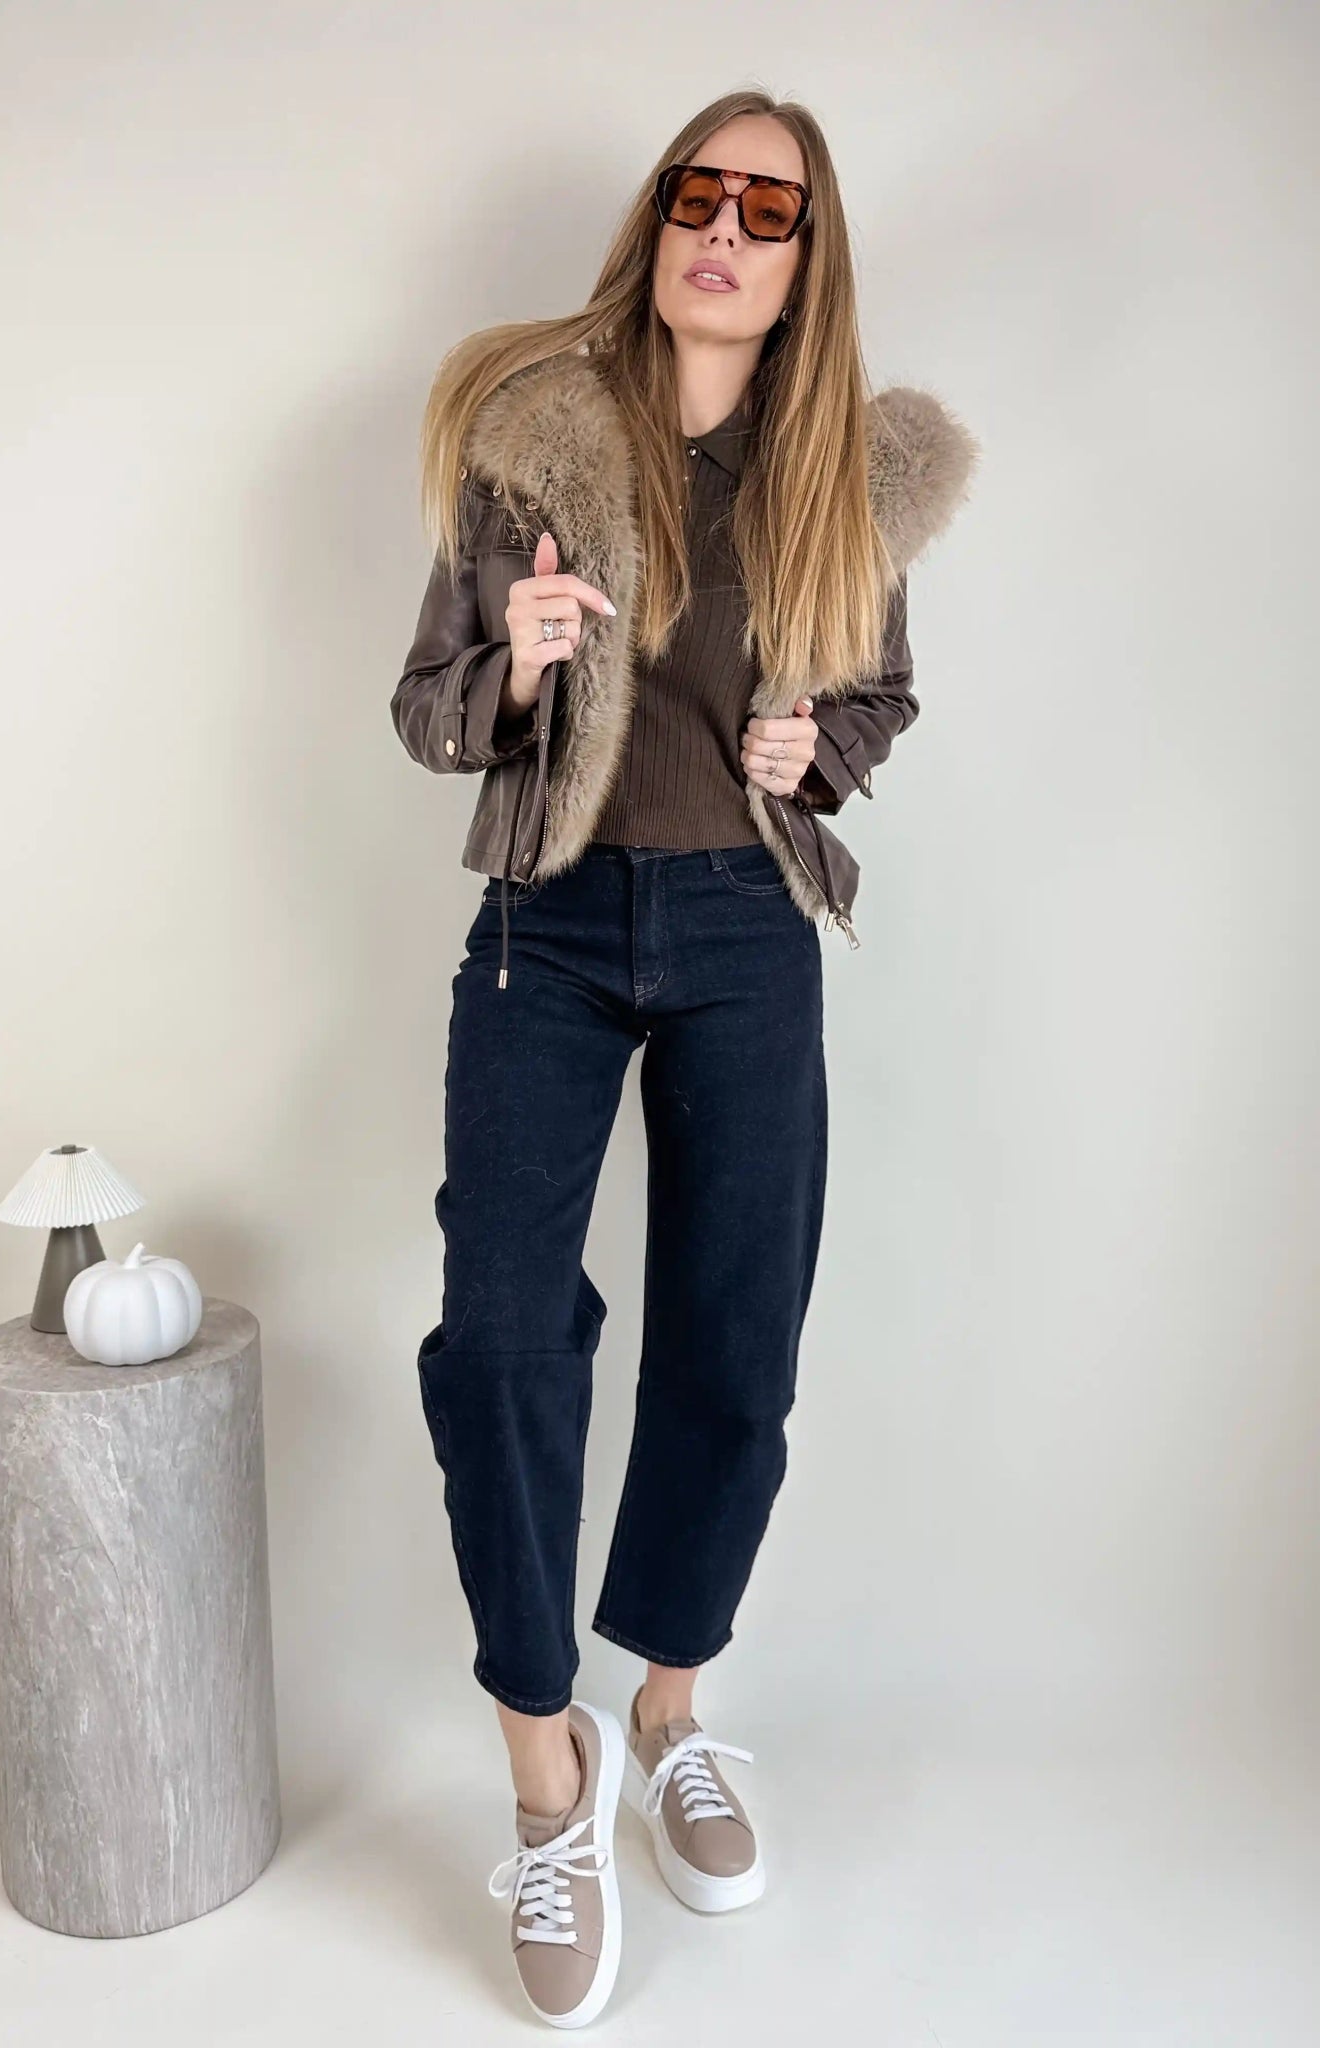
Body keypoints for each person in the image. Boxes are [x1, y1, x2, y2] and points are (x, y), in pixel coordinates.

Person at [390, 88, 978, 2028]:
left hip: (744, 930)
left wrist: (819, 749)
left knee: (736, 1335)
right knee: (499, 1335)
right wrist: (523, 663)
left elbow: (879, 694)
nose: (724, 231)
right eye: (698, 194)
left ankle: (667, 1710)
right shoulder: (536, 434)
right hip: (547, 929)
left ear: (807, 262)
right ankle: (544, 1772)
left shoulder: (839, 480)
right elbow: (426, 704)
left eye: (768, 210)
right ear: (657, 220)